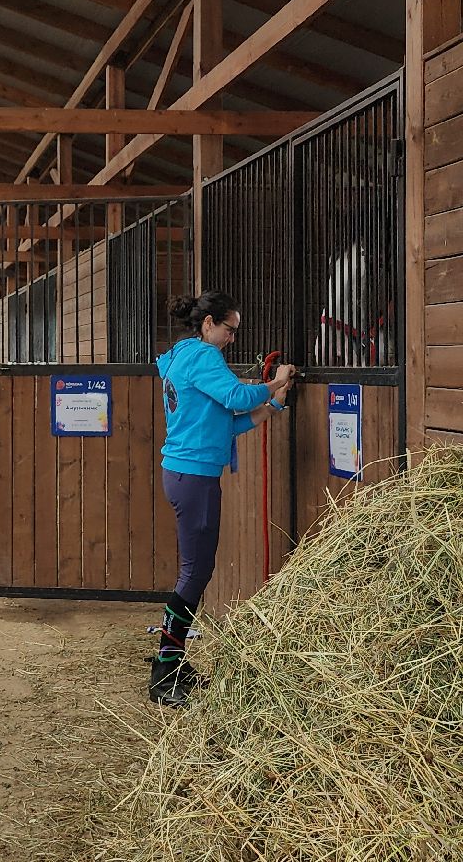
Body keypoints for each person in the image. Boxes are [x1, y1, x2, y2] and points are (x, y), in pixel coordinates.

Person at [149, 291, 296, 706]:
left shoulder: (181, 356)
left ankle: (173, 662)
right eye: (229, 329)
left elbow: (224, 424)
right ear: (209, 323)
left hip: (186, 472)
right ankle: (165, 671)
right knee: (195, 573)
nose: (232, 338)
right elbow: (236, 398)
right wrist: (276, 380)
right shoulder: (204, 356)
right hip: (195, 476)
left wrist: (272, 406)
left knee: (195, 571)